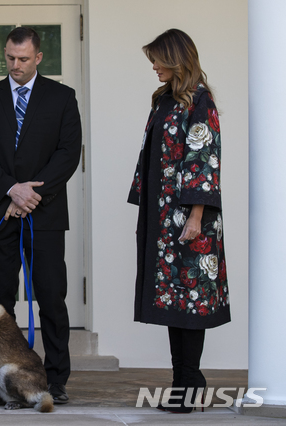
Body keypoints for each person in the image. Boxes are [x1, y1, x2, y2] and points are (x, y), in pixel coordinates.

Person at [0, 27, 82, 404]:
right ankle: (0, 379)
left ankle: (56, 378)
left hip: (44, 215)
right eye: (10, 58)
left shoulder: (62, 97)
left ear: (38, 58)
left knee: (51, 296)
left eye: (23, 59)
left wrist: (32, 193)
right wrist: (10, 189)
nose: (15, 65)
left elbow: (68, 153)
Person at [128, 28, 231, 413]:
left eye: (158, 59)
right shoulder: (164, 100)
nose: (153, 66)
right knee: (174, 303)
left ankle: (190, 385)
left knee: (191, 302)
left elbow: (204, 159)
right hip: (163, 218)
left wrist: (196, 216)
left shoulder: (200, 101)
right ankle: (183, 384)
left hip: (190, 220)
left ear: (176, 58)